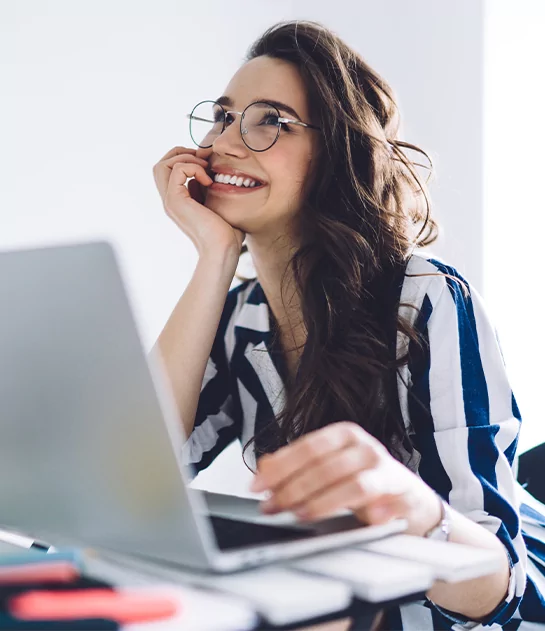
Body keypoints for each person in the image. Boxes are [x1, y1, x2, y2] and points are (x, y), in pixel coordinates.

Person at [151, 20, 545, 630]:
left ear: (337, 151)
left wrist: (416, 512)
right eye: (225, 117)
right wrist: (213, 257)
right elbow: (139, 475)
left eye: (269, 121)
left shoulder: (425, 297)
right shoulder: (241, 317)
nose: (225, 141)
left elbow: (500, 592)